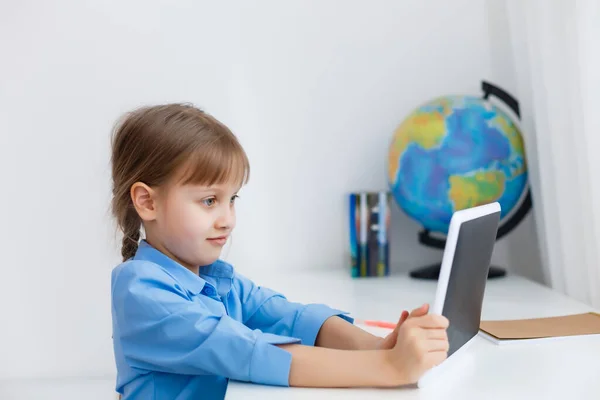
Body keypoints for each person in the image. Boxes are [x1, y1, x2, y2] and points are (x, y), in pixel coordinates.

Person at [109, 103, 449, 399]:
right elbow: (249, 353)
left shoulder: (213, 276)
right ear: (147, 201)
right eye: (209, 201)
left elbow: (293, 317)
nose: (227, 220)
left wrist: (377, 347)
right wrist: (387, 367)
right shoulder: (142, 291)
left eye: (232, 200)